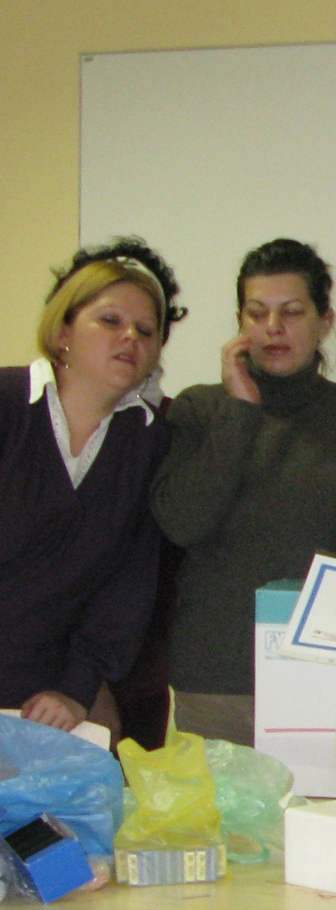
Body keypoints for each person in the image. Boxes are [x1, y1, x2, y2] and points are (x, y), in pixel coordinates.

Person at [151, 238, 336, 746]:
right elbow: (181, 522)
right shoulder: (199, 409)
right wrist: (240, 409)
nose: (273, 327)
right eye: (257, 313)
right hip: (217, 675)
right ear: (240, 322)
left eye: (292, 312)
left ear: (324, 321)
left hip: (326, 668)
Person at [3, 239, 182, 735]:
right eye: (110, 321)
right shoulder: (7, 404)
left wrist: (76, 688)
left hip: (46, 695)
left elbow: (127, 585)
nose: (130, 337)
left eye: (146, 330)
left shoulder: (150, 443)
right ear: (63, 331)